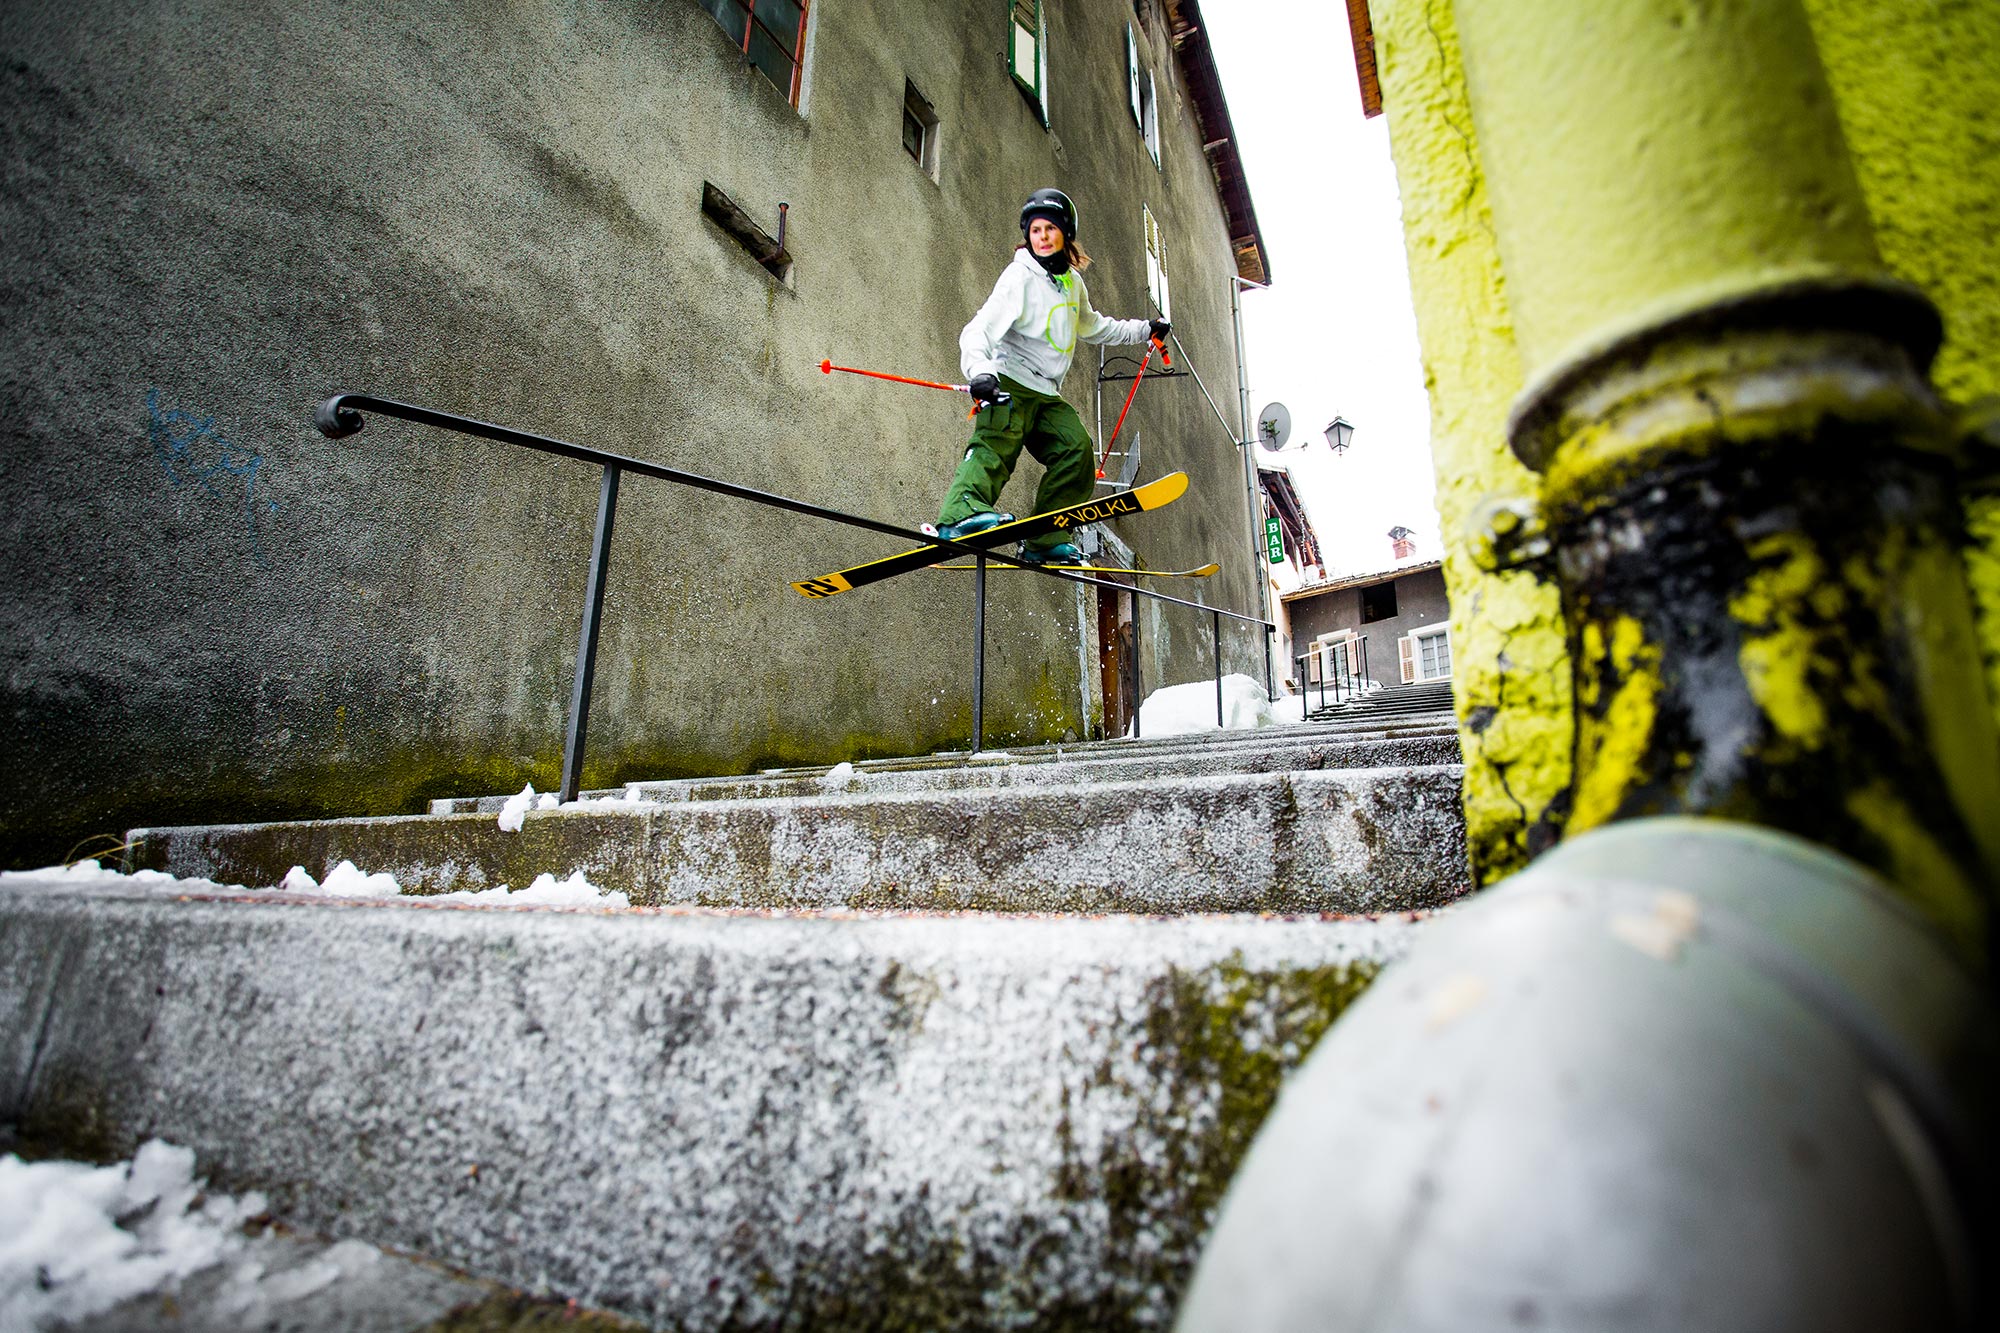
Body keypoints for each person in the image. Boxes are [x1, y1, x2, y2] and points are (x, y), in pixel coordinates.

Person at [935, 188, 1169, 565]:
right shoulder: (1019, 277)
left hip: (1046, 394)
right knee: (997, 444)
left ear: (1066, 234)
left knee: (1076, 451)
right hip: (1007, 381)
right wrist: (980, 372)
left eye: (1050, 229)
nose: (1041, 237)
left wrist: (1145, 329)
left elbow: (1094, 327)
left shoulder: (1072, 284)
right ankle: (959, 514)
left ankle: (1044, 537)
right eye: (1035, 230)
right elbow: (979, 328)